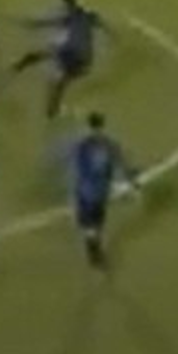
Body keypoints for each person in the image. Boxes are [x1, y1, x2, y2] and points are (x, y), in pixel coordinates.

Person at [11, 0, 111, 119]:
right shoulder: (89, 15)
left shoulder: (71, 17)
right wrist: (113, 37)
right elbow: (104, 27)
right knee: (60, 83)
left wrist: (31, 24)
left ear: (66, 5)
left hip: (71, 52)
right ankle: (52, 112)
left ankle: (15, 70)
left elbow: (45, 23)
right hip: (85, 59)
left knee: (37, 58)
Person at [70, 112, 140, 268]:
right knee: (96, 223)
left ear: (88, 126)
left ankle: (93, 249)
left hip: (84, 190)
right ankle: (95, 250)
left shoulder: (82, 145)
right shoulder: (110, 144)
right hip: (100, 192)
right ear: (102, 126)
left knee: (87, 224)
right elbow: (122, 163)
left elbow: (78, 166)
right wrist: (131, 181)